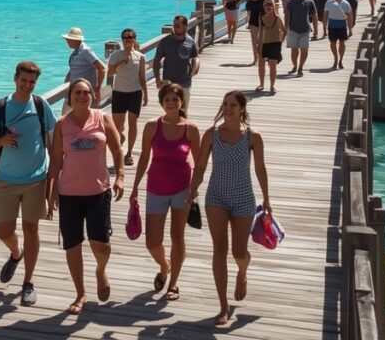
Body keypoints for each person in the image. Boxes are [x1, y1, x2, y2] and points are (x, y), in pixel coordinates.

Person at [189, 91, 272, 328]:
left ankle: (242, 272)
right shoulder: (211, 134)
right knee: (219, 250)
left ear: (242, 109)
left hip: (243, 198)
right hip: (216, 197)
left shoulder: (253, 137)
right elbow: (201, 165)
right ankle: (223, 305)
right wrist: (194, 188)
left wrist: (267, 199)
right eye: (225, 105)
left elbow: (260, 169)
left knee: (239, 252)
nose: (228, 109)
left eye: (233, 105)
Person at [0, 60, 57, 307]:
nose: (27, 85)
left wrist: (58, 174)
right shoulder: (1, 107)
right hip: (6, 179)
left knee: (31, 229)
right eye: (23, 80)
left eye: (32, 82)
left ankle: (28, 283)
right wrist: (2, 140)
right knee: (3, 231)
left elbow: (55, 135)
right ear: (15, 79)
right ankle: (16, 253)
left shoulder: (40, 105)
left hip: (36, 178)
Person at [47, 78, 124, 315]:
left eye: (86, 92)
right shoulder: (62, 124)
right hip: (69, 193)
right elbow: (57, 160)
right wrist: (51, 192)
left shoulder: (102, 118)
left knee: (101, 245)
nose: (82, 96)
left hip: (98, 191)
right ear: (70, 97)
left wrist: (120, 175)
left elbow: (117, 148)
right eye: (77, 93)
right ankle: (80, 293)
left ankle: (101, 271)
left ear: (93, 95)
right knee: (73, 244)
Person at [129, 83, 201, 302]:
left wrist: (195, 189)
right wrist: (134, 187)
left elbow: (199, 163)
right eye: (167, 99)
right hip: (156, 187)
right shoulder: (152, 126)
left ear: (182, 102)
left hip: (182, 188)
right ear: (162, 102)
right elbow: (143, 158)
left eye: (175, 99)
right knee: (152, 241)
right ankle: (164, 265)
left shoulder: (191, 128)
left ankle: (173, 283)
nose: (171, 103)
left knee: (177, 236)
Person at [107, 28, 149, 166]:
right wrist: (120, 62)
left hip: (135, 92)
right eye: (125, 37)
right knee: (117, 126)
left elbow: (142, 77)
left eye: (130, 37)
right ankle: (119, 146)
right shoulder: (115, 55)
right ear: (122, 40)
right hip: (119, 92)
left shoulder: (140, 57)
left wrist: (146, 94)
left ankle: (129, 153)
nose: (128, 40)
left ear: (134, 39)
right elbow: (109, 73)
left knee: (133, 123)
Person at [152, 15, 201, 111]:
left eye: (178, 25)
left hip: (185, 82)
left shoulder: (190, 41)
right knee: (169, 111)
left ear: (185, 27)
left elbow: (195, 57)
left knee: (183, 112)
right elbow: (156, 60)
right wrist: (157, 78)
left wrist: (194, 69)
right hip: (168, 83)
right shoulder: (165, 42)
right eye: (174, 25)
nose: (175, 27)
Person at [62, 28, 105, 111]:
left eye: (69, 39)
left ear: (75, 40)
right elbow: (73, 70)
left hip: (85, 93)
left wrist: (98, 88)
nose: (67, 41)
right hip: (74, 91)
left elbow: (101, 68)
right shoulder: (76, 52)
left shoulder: (85, 51)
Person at [284, 0, 317, 76]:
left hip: (305, 29)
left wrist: (316, 30)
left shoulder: (310, 2)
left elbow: (314, 16)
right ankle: (295, 65)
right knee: (294, 50)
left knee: (304, 50)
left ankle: (300, 67)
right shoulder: (290, 2)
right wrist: (285, 29)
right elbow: (287, 16)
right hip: (293, 29)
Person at [257, 0, 285, 94]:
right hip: (264, 44)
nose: (268, 7)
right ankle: (261, 84)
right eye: (266, 4)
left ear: (273, 6)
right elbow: (260, 32)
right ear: (263, 6)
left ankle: (272, 86)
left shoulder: (278, 18)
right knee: (261, 64)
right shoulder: (261, 17)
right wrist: (258, 44)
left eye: (270, 4)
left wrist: (280, 41)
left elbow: (284, 31)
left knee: (272, 65)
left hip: (275, 44)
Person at [324, 0, 355, 69]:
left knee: (342, 43)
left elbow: (350, 16)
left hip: (342, 25)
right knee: (333, 43)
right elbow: (325, 15)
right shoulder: (329, 2)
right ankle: (335, 58)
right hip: (332, 25)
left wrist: (350, 29)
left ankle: (341, 60)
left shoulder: (346, 3)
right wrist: (324, 27)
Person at [244, 0, 264, 65]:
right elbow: (248, 13)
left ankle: (261, 57)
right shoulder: (249, 2)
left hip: (263, 23)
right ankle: (255, 59)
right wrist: (248, 23)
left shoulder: (262, 0)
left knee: (261, 42)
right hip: (253, 23)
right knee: (254, 41)